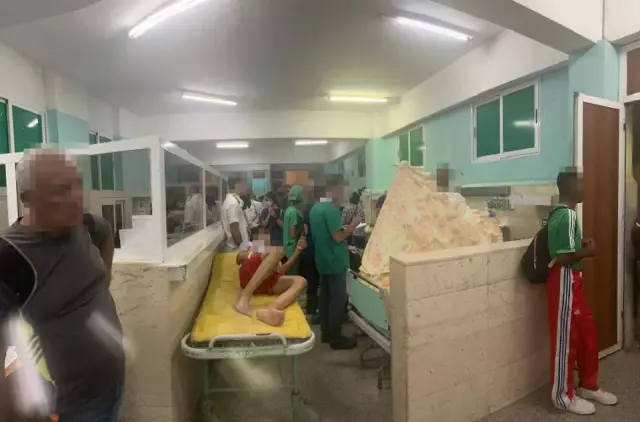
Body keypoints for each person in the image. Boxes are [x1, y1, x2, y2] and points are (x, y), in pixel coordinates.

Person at [0, 149, 123, 421]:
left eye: (77, 184)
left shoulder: (83, 226)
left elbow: (105, 230)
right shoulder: (10, 258)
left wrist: (103, 281)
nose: (77, 197)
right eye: (61, 190)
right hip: (67, 408)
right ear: (27, 199)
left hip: (111, 386)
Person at [545, 170, 617, 415]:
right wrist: (588, 251)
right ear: (571, 188)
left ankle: (588, 385)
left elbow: (565, 249)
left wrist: (579, 245)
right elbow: (561, 257)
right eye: (582, 184)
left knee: (587, 334)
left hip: (573, 282)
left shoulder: (567, 214)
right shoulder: (566, 215)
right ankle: (562, 396)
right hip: (563, 281)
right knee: (566, 340)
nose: (585, 188)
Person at [309, 177, 361, 350]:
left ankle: (326, 333)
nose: (343, 193)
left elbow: (327, 232)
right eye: (341, 189)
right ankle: (336, 338)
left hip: (322, 260)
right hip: (335, 261)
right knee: (338, 300)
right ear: (334, 189)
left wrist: (343, 228)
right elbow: (338, 237)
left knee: (325, 298)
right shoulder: (330, 210)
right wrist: (353, 225)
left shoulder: (316, 208)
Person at [234, 240, 308, 326]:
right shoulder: (249, 245)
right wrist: (258, 253)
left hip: (268, 281)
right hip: (250, 273)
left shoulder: (274, 255)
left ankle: (271, 310)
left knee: (301, 281)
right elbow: (239, 257)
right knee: (278, 250)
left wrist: (297, 251)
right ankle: (244, 297)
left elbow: (281, 270)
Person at [300, 198, 319, 322]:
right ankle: (314, 310)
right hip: (316, 253)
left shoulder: (306, 214)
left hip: (307, 253)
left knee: (311, 285)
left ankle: (310, 309)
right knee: (316, 283)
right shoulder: (320, 214)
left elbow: (305, 232)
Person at [222, 180, 250, 251]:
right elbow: (234, 227)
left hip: (239, 247)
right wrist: (241, 246)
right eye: (245, 185)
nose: (247, 188)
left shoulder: (233, 201)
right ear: (237, 186)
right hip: (237, 248)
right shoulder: (233, 203)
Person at [283, 185, 305, 275]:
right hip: (293, 249)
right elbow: (293, 234)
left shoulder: (288, 210)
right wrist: (302, 228)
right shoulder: (294, 212)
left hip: (286, 248)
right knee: (293, 274)